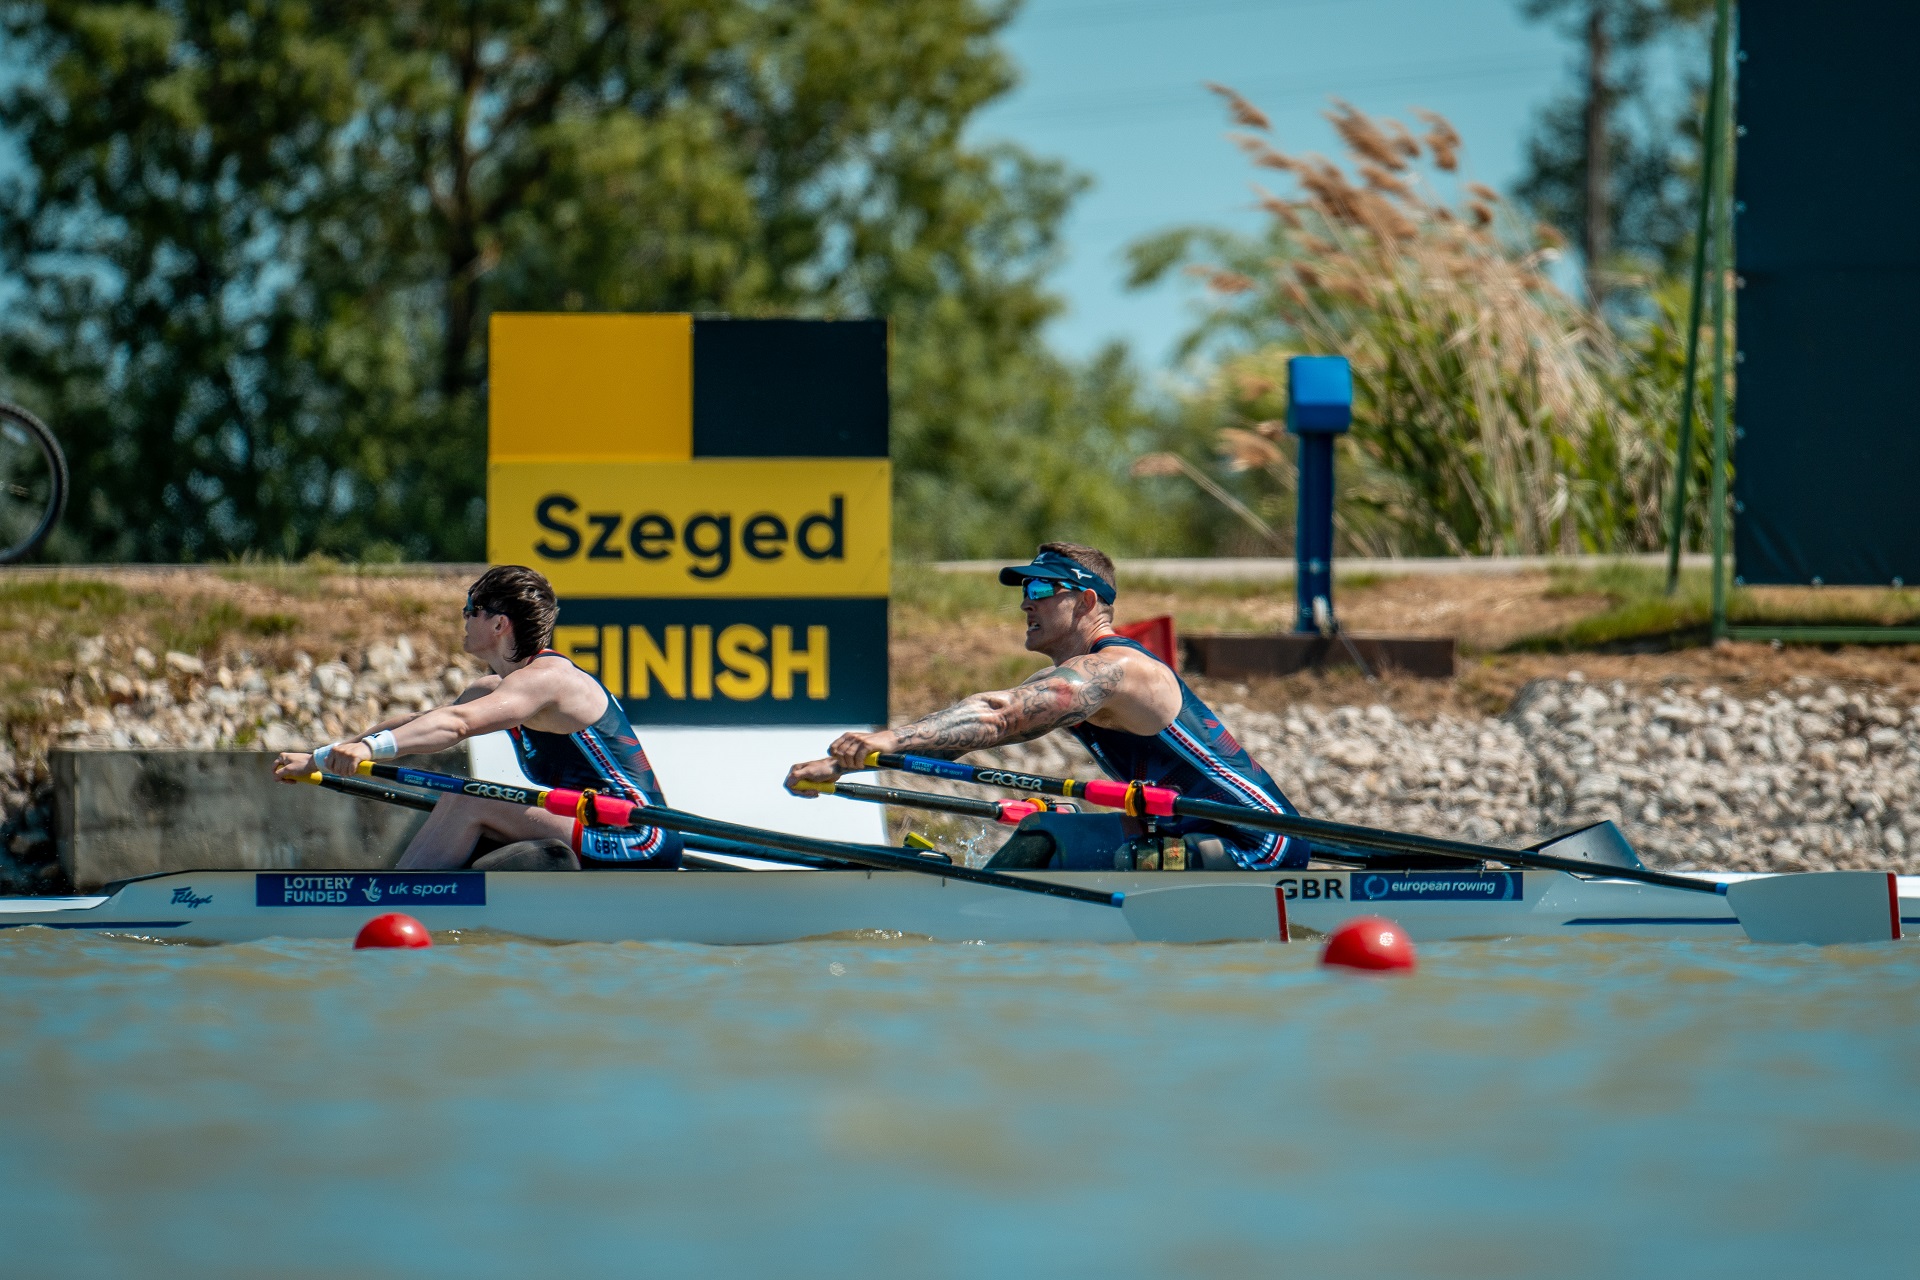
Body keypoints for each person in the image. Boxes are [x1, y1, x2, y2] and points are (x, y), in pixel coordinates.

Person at [783, 542, 1308, 869]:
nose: (1024, 601)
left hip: (1258, 842)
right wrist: (844, 766)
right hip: (1180, 829)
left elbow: (998, 714)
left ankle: (973, 908)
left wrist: (889, 739)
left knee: (1128, 856)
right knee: (1047, 829)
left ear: (1085, 602)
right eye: (1024, 589)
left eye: (1040, 587)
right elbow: (973, 735)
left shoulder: (1118, 672)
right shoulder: (1066, 679)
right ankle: (979, 902)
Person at [273, 565, 681, 871]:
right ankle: (413, 898)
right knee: (466, 802)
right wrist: (321, 759)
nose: (464, 618)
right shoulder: (498, 690)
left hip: (638, 834)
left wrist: (366, 750)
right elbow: (420, 724)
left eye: (471, 609)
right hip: (591, 826)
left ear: (500, 624)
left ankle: (392, 903)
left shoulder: (549, 681)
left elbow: (458, 726)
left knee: (466, 801)